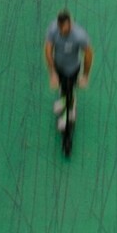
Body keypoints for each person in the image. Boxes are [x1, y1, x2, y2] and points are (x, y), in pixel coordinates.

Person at [43, 10, 93, 157]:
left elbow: (88, 54)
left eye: (65, 29)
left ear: (70, 24)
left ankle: (67, 135)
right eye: (61, 29)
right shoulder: (53, 29)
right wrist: (52, 73)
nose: (63, 32)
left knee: (67, 93)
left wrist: (85, 76)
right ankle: (67, 102)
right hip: (59, 68)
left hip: (72, 71)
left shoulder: (79, 35)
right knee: (64, 91)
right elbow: (48, 49)